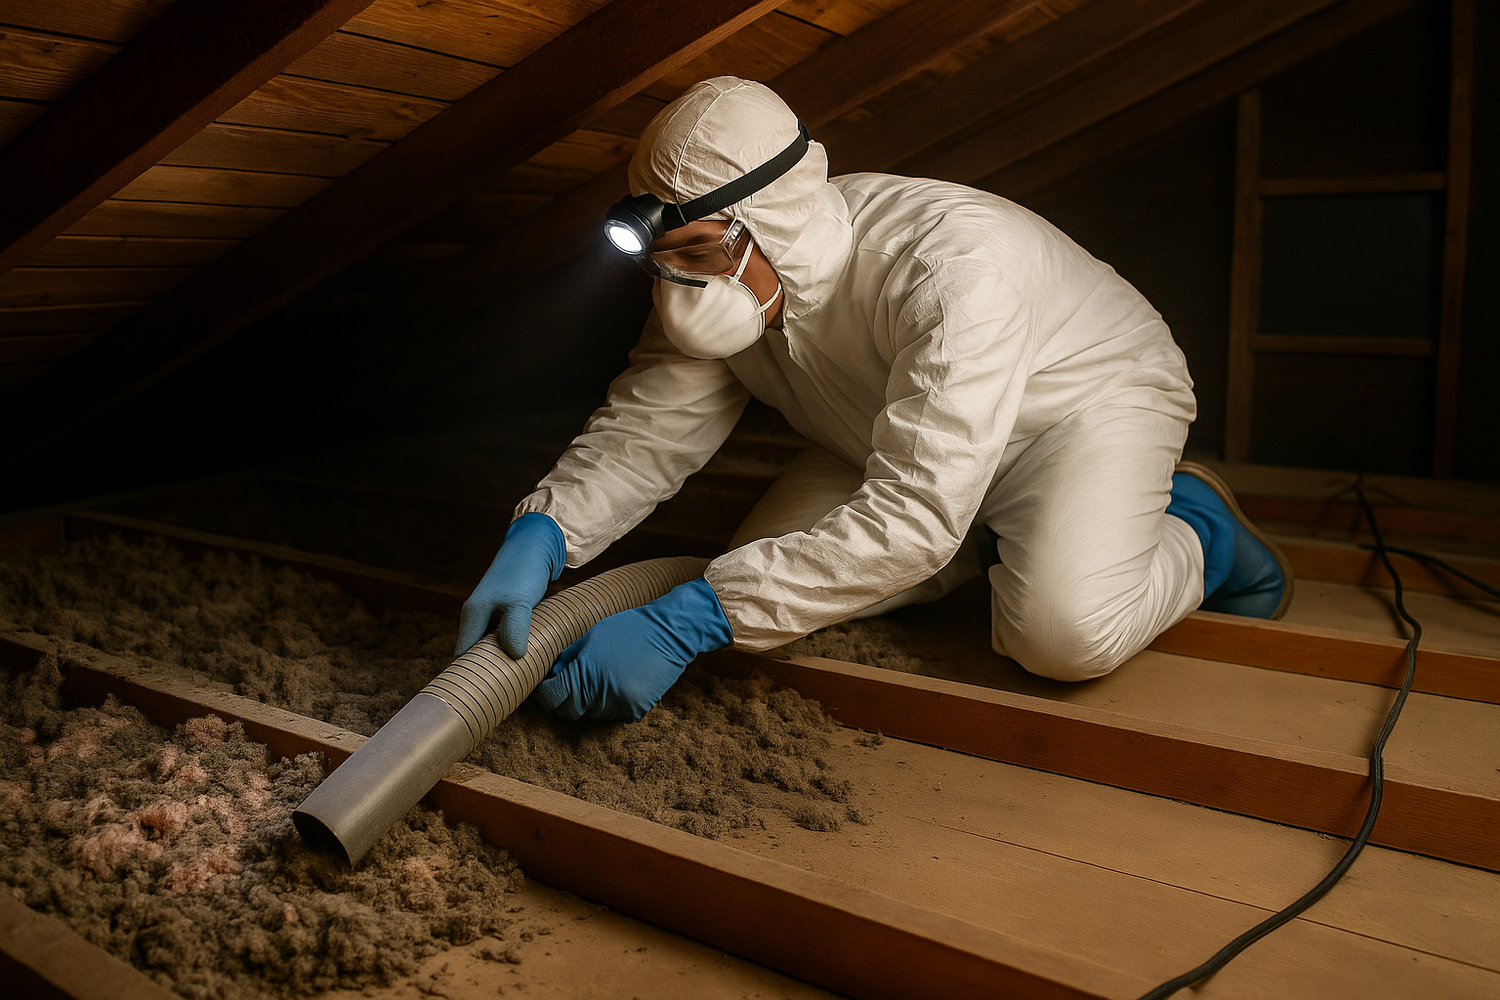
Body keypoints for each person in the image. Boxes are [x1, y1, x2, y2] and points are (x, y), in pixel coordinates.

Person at [455, 76, 1293, 721]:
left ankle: (1200, 529)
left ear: (766, 226)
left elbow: (914, 514)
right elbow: (649, 427)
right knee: (764, 583)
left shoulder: (949, 268)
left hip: (1079, 412)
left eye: (700, 255)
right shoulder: (725, 271)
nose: (678, 285)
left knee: (1061, 636)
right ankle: (989, 540)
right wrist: (546, 533)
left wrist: (684, 623)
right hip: (883, 431)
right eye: (662, 260)